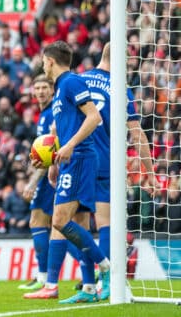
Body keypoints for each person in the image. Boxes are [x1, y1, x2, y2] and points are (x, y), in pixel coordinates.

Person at [24, 41, 110, 303]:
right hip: (71, 161)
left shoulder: (71, 82)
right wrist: (53, 163)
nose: (41, 65)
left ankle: (106, 269)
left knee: (59, 221)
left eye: (42, 61)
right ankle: (87, 287)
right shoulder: (61, 88)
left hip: (82, 157)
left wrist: (70, 146)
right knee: (74, 222)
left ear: (50, 61)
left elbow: (94, 117)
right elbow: (64, 130)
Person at [78, 42, 156, 300]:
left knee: (71, 223)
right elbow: (137, 134)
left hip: (77, 161)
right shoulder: (121, 89)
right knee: (106, 224)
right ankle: (109, 281)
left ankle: (88, 284)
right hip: (104, 162)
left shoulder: (78, 81)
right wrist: (150, 172)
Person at [19, 75, 55, 291]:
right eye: (37, 87)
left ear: (52, 90)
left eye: (45, 87)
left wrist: (32, 182)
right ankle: (93, 268)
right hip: (50, 173)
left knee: (39, 222)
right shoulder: (43, 115)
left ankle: (43, 276)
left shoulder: (51, 115)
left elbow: (49, 154)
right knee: (59, 226)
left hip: (51, 175)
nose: (41, 91)